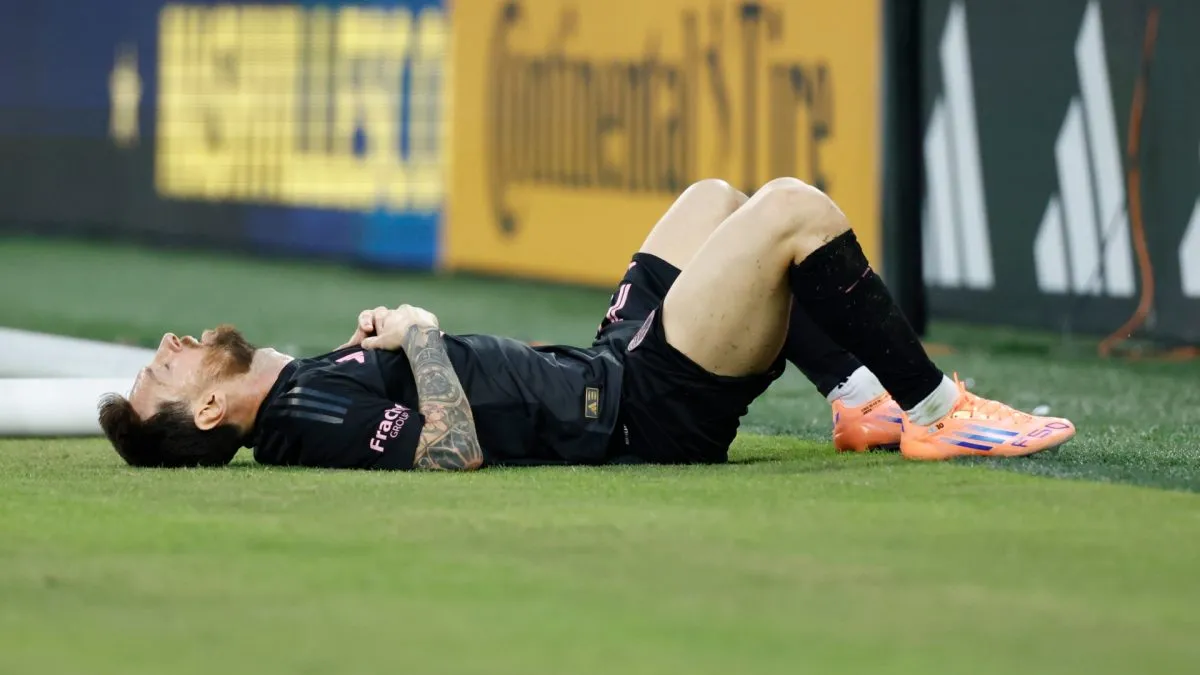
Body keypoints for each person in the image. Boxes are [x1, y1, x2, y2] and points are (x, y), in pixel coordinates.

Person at [98, 178, 1075, 470]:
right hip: (647, 410)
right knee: (790, 212)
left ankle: (857, 400)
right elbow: (449, 455)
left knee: (713, 197)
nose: (171, 349)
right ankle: (941, 408)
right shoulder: (302, 418)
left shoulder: (304, 383)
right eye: (164, 376)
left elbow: (466, 388)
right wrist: (422, 332)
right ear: (216, 412)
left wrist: (407, 340)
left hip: (608, 367)